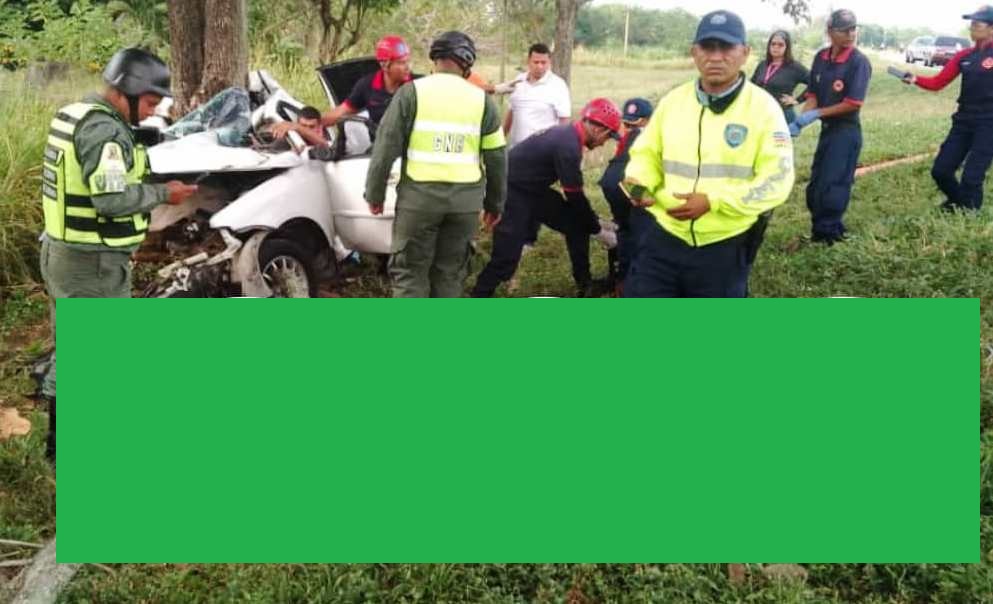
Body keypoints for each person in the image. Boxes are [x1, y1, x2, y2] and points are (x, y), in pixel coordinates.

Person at [38, 48, 198, 465]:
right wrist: (167, 194)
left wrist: (141, 143)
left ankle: (62, 441)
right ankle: (71, 446)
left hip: (65, 252)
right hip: (91, 263)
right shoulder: (105, 133)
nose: (150, 113)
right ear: (127, 91)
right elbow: (110, 200)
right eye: (148, 103)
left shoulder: (75, 113)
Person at [622, 10, 795, 298]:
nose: (716, 57)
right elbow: (645, 153)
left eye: (726, 47)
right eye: (707, 47)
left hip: (724, 244)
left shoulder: (764, 109)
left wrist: (715, 202)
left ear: (745, 52)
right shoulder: (673, 102)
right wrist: (638, 185)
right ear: (694, 52)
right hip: (663, 235)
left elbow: (778, 178)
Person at [364, 31, 507, 298]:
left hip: (418, 202)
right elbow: (497, 158)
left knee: (410, 276)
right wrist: (495, 204)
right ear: (467, 63)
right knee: (449, 275)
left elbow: (385, 148)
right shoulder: (482, 101)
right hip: (464, 207)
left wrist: (375, 193)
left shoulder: (411, 93)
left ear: (435, 60)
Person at [471, 98, 622, 298]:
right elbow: (575, 197)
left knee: (576, 225)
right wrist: (598, 230)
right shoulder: (568, 147)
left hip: (533, 189)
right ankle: (478, 296)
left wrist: (592, 223)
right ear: (598, 130)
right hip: (511, 192)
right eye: (608, 137)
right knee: (505, 260)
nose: (605, 143)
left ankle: (585, 286)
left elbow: (576, 201)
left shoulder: (568, 135)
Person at [789, 9, 872, 244]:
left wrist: (817, 113)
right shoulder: (821, 58)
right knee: (815, 187)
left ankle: (830, 236)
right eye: (844, 30)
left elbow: (852, 104)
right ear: (830, 31)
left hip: (846, 131)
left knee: (833, 184)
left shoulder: (858, 62)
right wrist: (800, 121)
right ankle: (820, 230)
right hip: (827, 131)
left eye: (853, 29)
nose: (850, 34)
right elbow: (814, 94)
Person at [900, 6, 993, 212]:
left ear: (991, 29)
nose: (972, 28)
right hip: (964, 120)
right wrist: (915, 79)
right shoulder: (964, 56)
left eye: (977, 24)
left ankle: (970, 215)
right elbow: (937, 83)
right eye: (971, 24)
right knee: (941, 170)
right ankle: (959, 202)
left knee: (972, 176)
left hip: (989, 122)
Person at [504, 43, 573, 249]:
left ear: (549, 62)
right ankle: (515, 233)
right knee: (513, 192)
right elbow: (511, 113)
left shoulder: (557, 85)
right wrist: (500, 138)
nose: (540, 66)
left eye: (544, 62)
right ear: (529, 61)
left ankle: (528, 238)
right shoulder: (518, 83)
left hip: (542, 154)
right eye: (536, 62)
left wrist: (563, 151)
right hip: (516, 150)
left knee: (533, 192)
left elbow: (564, 120)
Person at [598, 97, 653, 294]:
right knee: (641, 232)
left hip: (611, 183)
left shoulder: (627, 135)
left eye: (633, 123)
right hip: (630, 183)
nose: (628, 127)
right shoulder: (651, 135)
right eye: (627, 123)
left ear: (646, 120)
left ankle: (620, 280)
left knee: (624, 229)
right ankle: (633, 284)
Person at [322, 35, 413, 128]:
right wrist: (317, 124)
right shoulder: (367, 85)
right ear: (384, 65)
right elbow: (343, 110)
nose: (408, 67)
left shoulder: (418, 85)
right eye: (401, 63)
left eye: (408, 61)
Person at [750, 30, 810, 124]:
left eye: (780, 45)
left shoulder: (794, 67)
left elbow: (816, 82)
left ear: (787, 47)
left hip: (782, 116)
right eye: (773, 44)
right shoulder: (763, 65)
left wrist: (797, 100)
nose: (776, 47)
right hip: (760, 115)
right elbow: (751, 86)